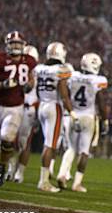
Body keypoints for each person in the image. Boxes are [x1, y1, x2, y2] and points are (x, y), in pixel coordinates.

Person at [0, 31, 36, 187]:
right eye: (13, 44)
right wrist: (2, 85)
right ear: (7, 45)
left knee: (7, 139)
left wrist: (29, 86)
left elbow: (31, 80)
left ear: (23, 46)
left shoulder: (28, 61)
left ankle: (1, 170)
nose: (16, 46)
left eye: (18, 44)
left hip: (15, 108)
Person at [56, 53, 108, 192]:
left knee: (71, 148)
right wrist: (105, 119)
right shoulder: (98, 80)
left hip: (73, 115)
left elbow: (64, 93)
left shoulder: (73, 76)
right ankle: (77, 183)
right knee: (84, 152)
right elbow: (101, 102)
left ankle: (62, 174)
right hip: (88, 117)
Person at [35, 42, 76, 192]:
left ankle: (45, 178)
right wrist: (71, 112)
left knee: (49, 143)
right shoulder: (61, 69)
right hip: (54, 107)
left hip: (42, 106)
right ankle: (43, 181)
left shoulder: (40, 68)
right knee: (50, 145)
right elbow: (64, 95)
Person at [11, 45, 40, 183]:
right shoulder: (16, 69)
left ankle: (19, 173)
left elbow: (41, 95)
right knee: (10, 140)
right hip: (15, 106)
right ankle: (11, 170)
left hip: (29, 109)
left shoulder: (39, 73)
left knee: (24, 143)